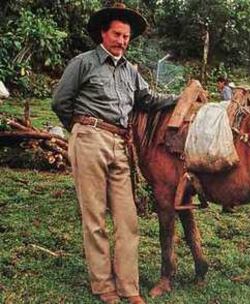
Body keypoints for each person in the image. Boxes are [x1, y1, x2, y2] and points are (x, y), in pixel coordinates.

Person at [52, 3, 178, 304]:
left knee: (128, 220)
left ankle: (128, 288)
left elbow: (147, 99)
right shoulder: (84, 63)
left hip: (121, 144)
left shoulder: (130, 71)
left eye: (127, 37)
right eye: (117, 35)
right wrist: (81, 130)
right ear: (103, 34)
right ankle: (104, 288)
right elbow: (60, 101)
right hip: (90, 137)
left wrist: (181, 97)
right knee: (94, 217)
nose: (122, 41)